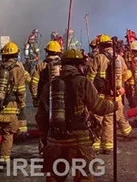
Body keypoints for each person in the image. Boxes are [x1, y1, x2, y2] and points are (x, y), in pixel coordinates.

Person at [36, 49, 115, 182]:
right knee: (84, 177)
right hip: (79, 141)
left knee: (54, 178)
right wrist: (114, 105)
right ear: (78, 65)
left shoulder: (50, 85)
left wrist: (45, 138)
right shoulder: (83, 82)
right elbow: (98, 107)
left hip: (55, 141)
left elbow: (41, 116)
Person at [86, 34, 121, 153]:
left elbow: (90, 76)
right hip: (112, 94)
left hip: (99, 95)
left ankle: (95, 144)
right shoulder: (118, 58)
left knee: (96, 119)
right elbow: (124, 73)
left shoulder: (98, 58)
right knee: (109, 120)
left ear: (101, 46)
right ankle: (108, 146)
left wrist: (88, 91)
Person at [31, 40, 63, 108]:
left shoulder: (40, 66)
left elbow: (34, 83)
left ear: (47, 52)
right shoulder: (62, 65)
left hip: (44, 98)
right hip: (59, 98)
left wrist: (35, 97)